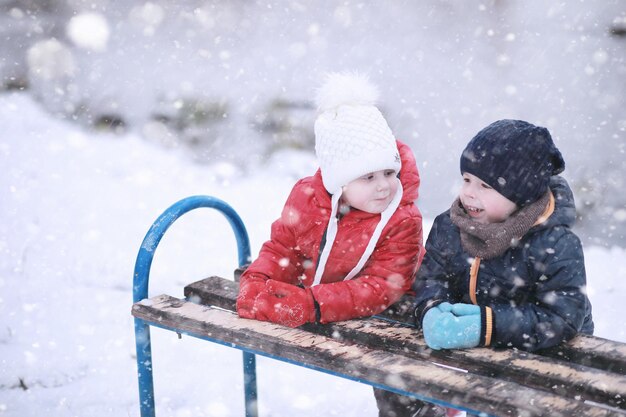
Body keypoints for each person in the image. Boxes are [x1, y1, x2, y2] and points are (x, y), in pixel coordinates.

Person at [236, 72, 425, 330]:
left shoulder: (402, 219)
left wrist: (313, 304)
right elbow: (283, 249)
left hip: (391, 318)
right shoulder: (307, 199)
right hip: (330, 304)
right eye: (368, 177)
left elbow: (382, 285)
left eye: (390, 173)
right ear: (340, 181)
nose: (383, 185)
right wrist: (258, 280)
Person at [413, 119, 593, 353]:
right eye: (467, 179)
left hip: (552, 356)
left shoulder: (555, 244)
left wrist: (489, 325)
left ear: (521, 196)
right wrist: (432, 308)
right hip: (479, 349)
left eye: (485, 186)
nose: (469, 193)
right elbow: (432, 279)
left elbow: (562, 318)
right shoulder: (448, 226)